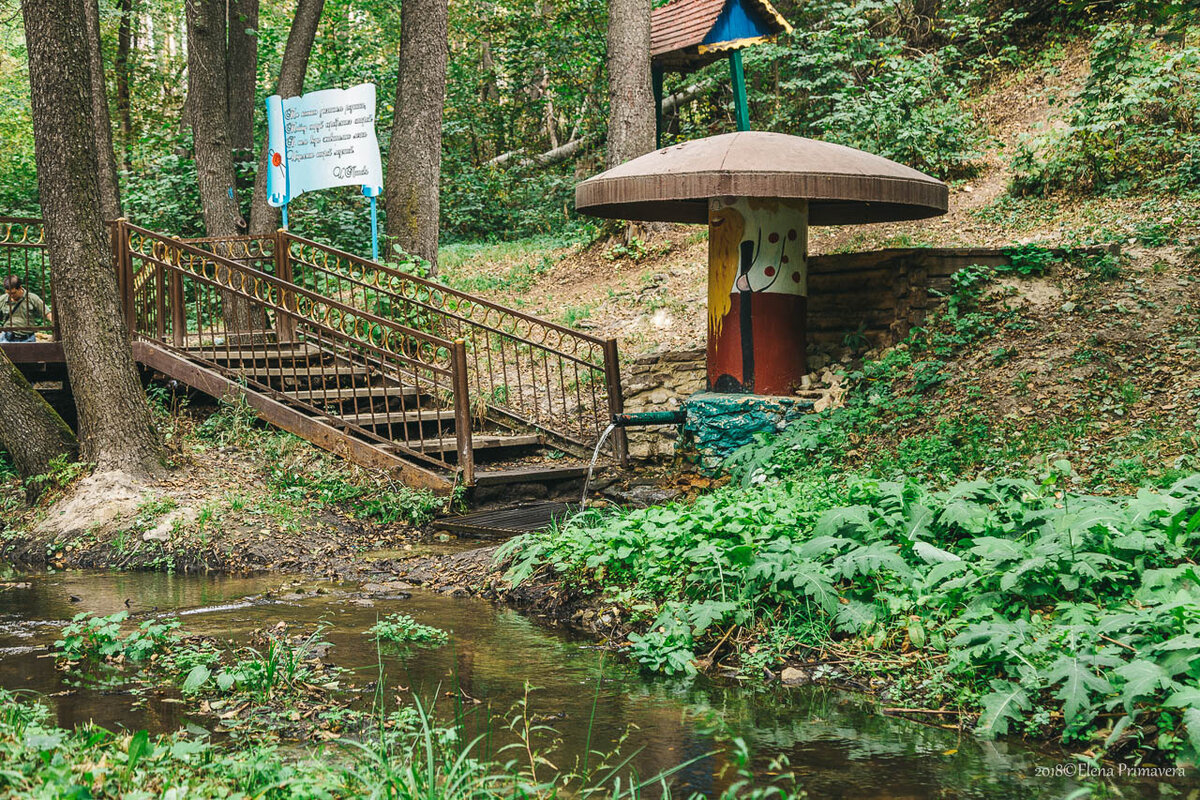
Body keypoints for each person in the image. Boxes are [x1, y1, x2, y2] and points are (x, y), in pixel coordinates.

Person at [1, 275, 51, 343]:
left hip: (27, 339)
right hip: (6, 338)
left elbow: (47, 313)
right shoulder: (2, 299)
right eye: (8, 293)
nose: (11, 296)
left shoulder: (32, 298)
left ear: (20, 288)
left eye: (13, 293)